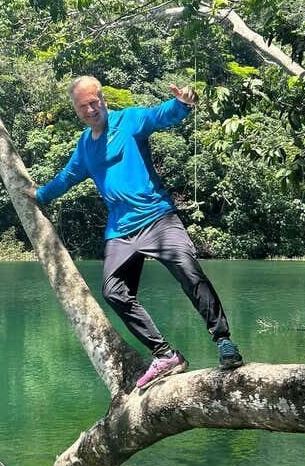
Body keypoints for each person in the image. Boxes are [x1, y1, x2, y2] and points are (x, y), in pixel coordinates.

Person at [28, 75, 242, 389]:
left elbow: (159, 115)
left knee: (188, 271)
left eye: (94, 102)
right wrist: (40, 195)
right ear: (76, 110)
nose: (91, 109)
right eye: (84, 106)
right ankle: (165, 354)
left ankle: (223, 339)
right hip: (121, 230)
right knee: (113, 291)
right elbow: (67, 177)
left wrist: (182, 104)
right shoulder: (86, 147)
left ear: (103, 99)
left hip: (157, 218)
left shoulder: (129, 120)